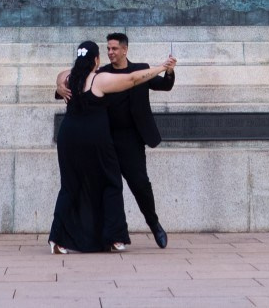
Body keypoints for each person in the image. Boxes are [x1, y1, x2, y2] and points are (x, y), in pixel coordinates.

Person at [49, 39, 177, 254]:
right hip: (100, 140)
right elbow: (132, 80)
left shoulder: (75, 77)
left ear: (125, 49)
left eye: (114, 48)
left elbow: (63, 75)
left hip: (97, 138)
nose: (110, 52)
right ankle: (114, 237)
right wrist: (162, 66)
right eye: (107, 49)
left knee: (134, 184)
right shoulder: (101, 77)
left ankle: (59, 238)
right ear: (96, 59)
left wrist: (59, 83)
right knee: (110, 185)